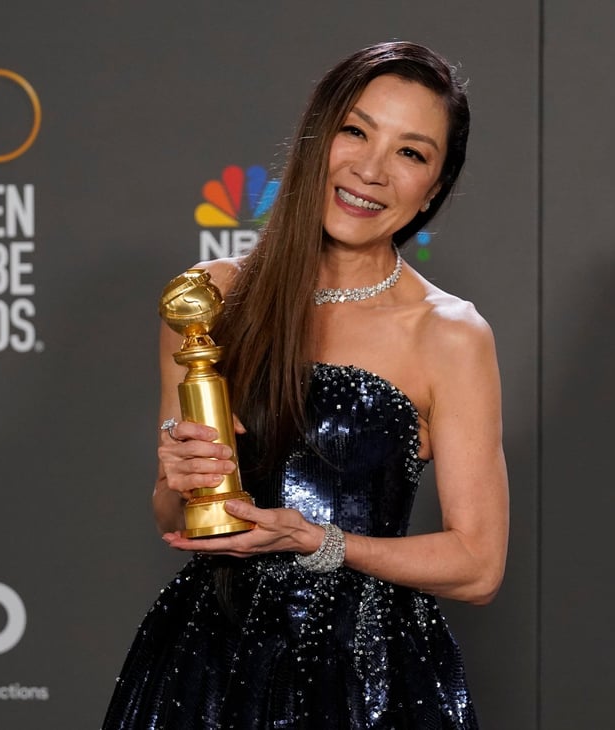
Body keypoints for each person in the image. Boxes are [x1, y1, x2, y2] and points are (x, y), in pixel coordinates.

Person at [103, 40, 508, 730]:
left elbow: (477, 564)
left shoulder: (448, 333)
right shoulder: (209, 300)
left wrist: (320, 542)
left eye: (411, 154)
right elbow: (178, 520)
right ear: (317, 139)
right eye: (356, 131)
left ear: (432, 190)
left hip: (370, 679)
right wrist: (178, 480)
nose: (372, 170)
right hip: (209, 665)